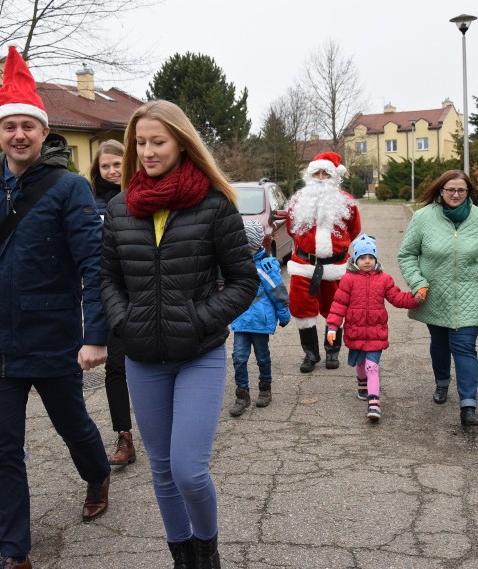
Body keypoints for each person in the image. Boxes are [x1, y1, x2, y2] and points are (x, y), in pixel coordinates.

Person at [0, 46, 111, 569]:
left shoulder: (69, 188)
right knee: (4, 451)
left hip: (52, 336)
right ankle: (15, 552)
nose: (19, 135)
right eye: (9, 126)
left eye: (28, 127)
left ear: (43, 133)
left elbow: (93, 266)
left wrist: (95, 334)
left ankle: (97, 472)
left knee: (73, 426)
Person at [99, 99, 258, 568]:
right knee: (163, 471)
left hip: (198, 354)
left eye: (158, 141)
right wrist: (124, 321)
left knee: (188, 469)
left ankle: (207, 552)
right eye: (140, 143)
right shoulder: (120, 207)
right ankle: (182, 558)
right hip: (142, 357)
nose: (147, 151)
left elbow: (244, 280)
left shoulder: (214, 205)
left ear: (182, 142)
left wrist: (200, 318)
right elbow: (107, 278)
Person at [397, 170, 478, 427]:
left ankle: (468, 405)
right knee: (439, 342)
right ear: (441, 191)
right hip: (434, 293)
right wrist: (418, 282)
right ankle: (442, 382)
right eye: (451, 190)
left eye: (461, 190)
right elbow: (407, 255)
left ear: (468, 192)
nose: (456, 195)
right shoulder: (423, 217)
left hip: (471, 292)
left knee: (464, 346)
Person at [326, 234, 423, 421]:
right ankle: (362, 383)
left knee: (372, 366)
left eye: (371, 257)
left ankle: (374, 403)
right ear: (355, 260)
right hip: (356, 330)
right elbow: (339, 305)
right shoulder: (348, 280)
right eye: (362, 258)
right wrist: (332, 327)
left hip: (376, 332)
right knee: (360, 364)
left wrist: (415, 299)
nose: (367, 261)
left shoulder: (384, 279)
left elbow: (397, 297)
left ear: (376, 259)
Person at [286, 151, 361, 373]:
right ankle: (310, 354)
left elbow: (354, 230)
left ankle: (332, 352)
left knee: (334, 310)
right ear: (310, 175)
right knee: (302, 311)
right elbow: (292, 229)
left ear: (334, 177)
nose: (320, 177)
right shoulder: (298, 201)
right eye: (316, 173)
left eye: (325, 174)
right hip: (303, 265)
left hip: (335, 268)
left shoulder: (346, 202)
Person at [88, 140, 137, 465]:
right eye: (105, 166)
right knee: (115, 369)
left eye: (117, 164)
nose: (111, 171)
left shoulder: (139, 197)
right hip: (112, 293)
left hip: (144, 291)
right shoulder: (90, 203)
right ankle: (125, 437)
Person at [228, 220, 291, 417]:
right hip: (240, 322)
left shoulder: (266, 266)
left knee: (262, 357)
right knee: (238, 358)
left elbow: (278, 292)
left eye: (246, 247)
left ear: (255, 246)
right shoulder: (235, 266)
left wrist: (284, 313)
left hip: (260, 323)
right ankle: (242, 393)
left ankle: (265, 388)